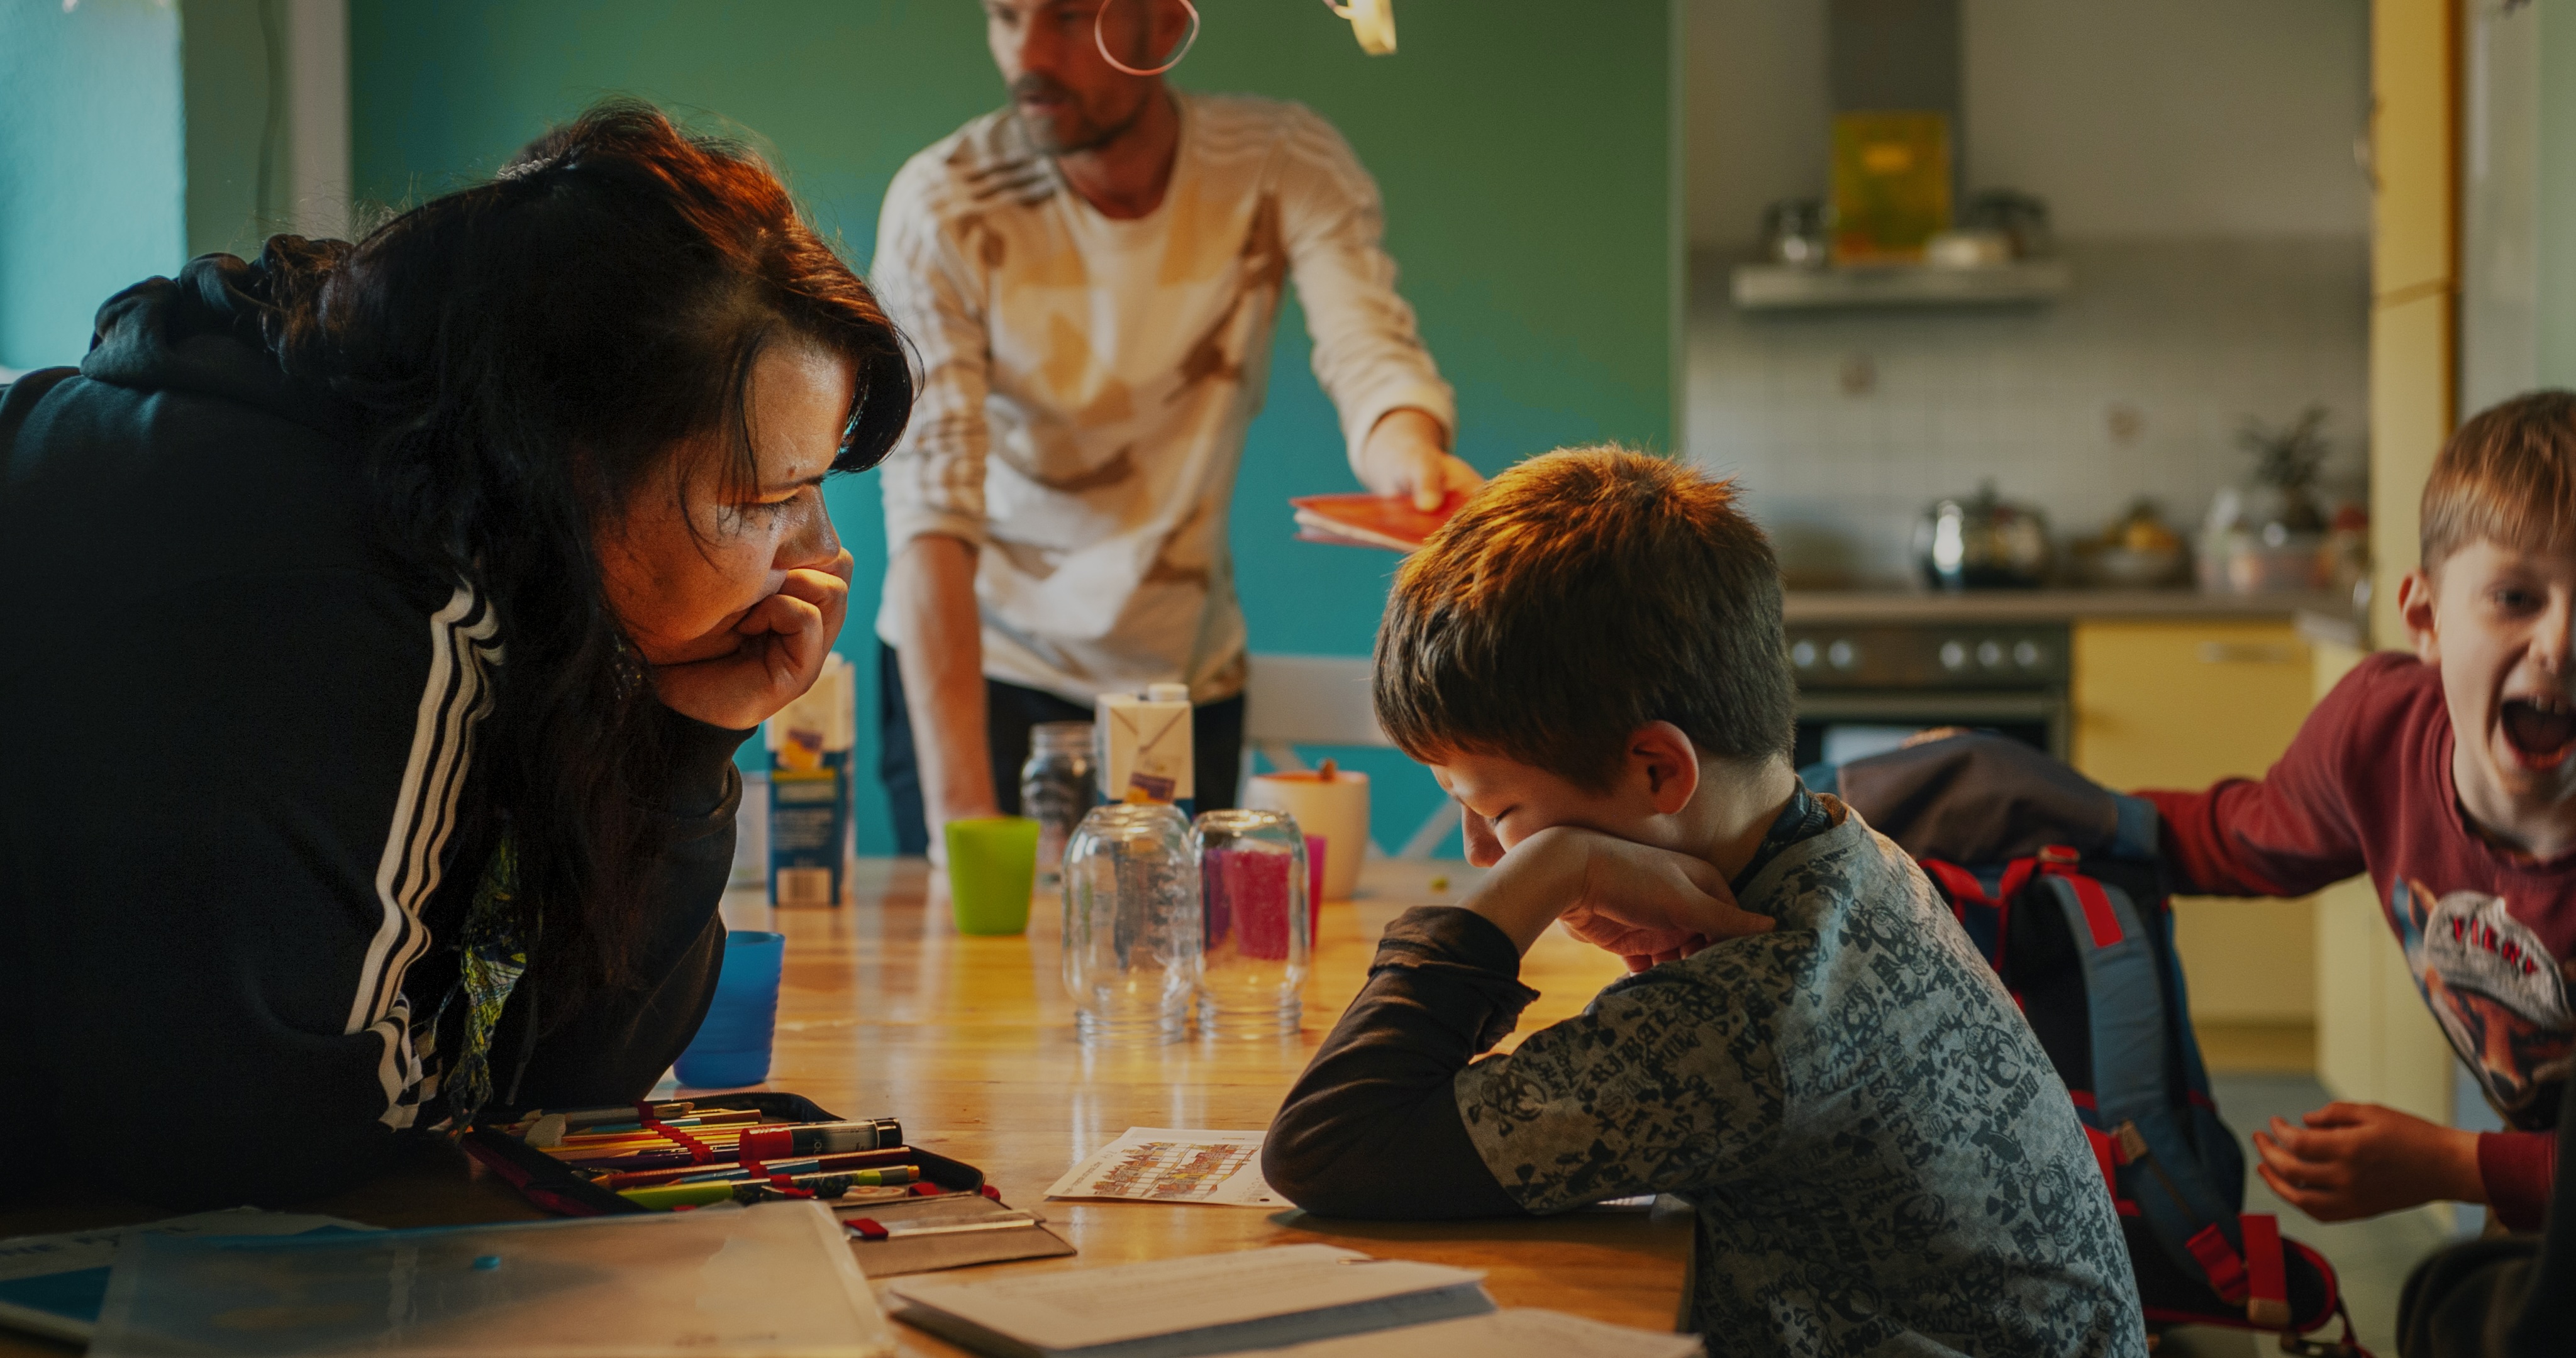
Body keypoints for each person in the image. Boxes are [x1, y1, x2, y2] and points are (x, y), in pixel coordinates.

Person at [0, 102, 911, 1207]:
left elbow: (548, 1082)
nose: (820, 557)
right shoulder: (363, 598)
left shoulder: (399, 496)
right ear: (575, 455)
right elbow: (342, 1150)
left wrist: (687, 743)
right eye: (772, 499)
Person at [1263, 448, 2146, 1355]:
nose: (1480, 855)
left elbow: (1328, 1144)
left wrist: (1546, 872)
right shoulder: (1844, 853)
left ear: (1658, 770)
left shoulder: (1750, 1021)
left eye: (1497, 813)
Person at [872, 0, 1480, 853]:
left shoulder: (1280, 163)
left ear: (1164, 23)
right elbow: (931, 511)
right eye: (1006, 14)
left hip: (1182, 677)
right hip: (984, 671)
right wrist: (962, 826)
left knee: (1178, 935)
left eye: (1069, 16)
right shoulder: (944, 203)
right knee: (979, 936)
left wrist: (1409, 454)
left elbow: (1369, 351)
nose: (1027, 53)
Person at [2143, 391, 2576, 1233]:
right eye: (2516, 598)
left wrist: (2450, 1165)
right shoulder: (2382, 734)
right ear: (2425, 618)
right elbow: (2235, 838)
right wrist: (2034, 806)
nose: (2561, 645)